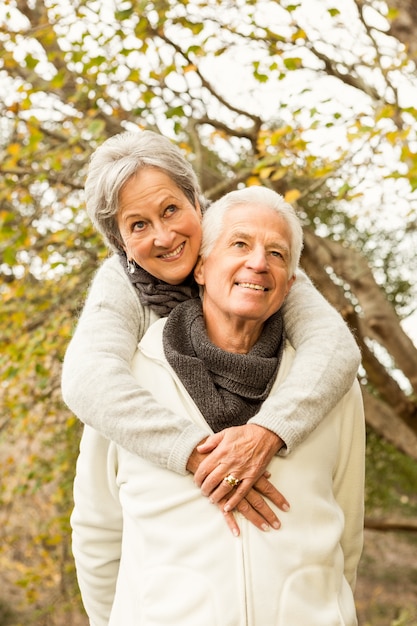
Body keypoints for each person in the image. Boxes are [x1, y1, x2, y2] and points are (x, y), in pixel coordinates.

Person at [71, 187, 365, 625]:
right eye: (240, 244)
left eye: (277, 254)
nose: (258, 263)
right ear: (202, 267)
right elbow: (98, 532)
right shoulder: (127, 382)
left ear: (289, 285)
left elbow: (348, 529)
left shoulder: (332, 388)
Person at [62, 129, 361, 531]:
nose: (164, 237)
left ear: (196, 201)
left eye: (170, 210)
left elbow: (334, 347)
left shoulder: (246, 249)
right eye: (138, 225)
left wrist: (266, 432)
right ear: (121, 244)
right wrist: (200, 455)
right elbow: (87, 379)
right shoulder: (120, 282)